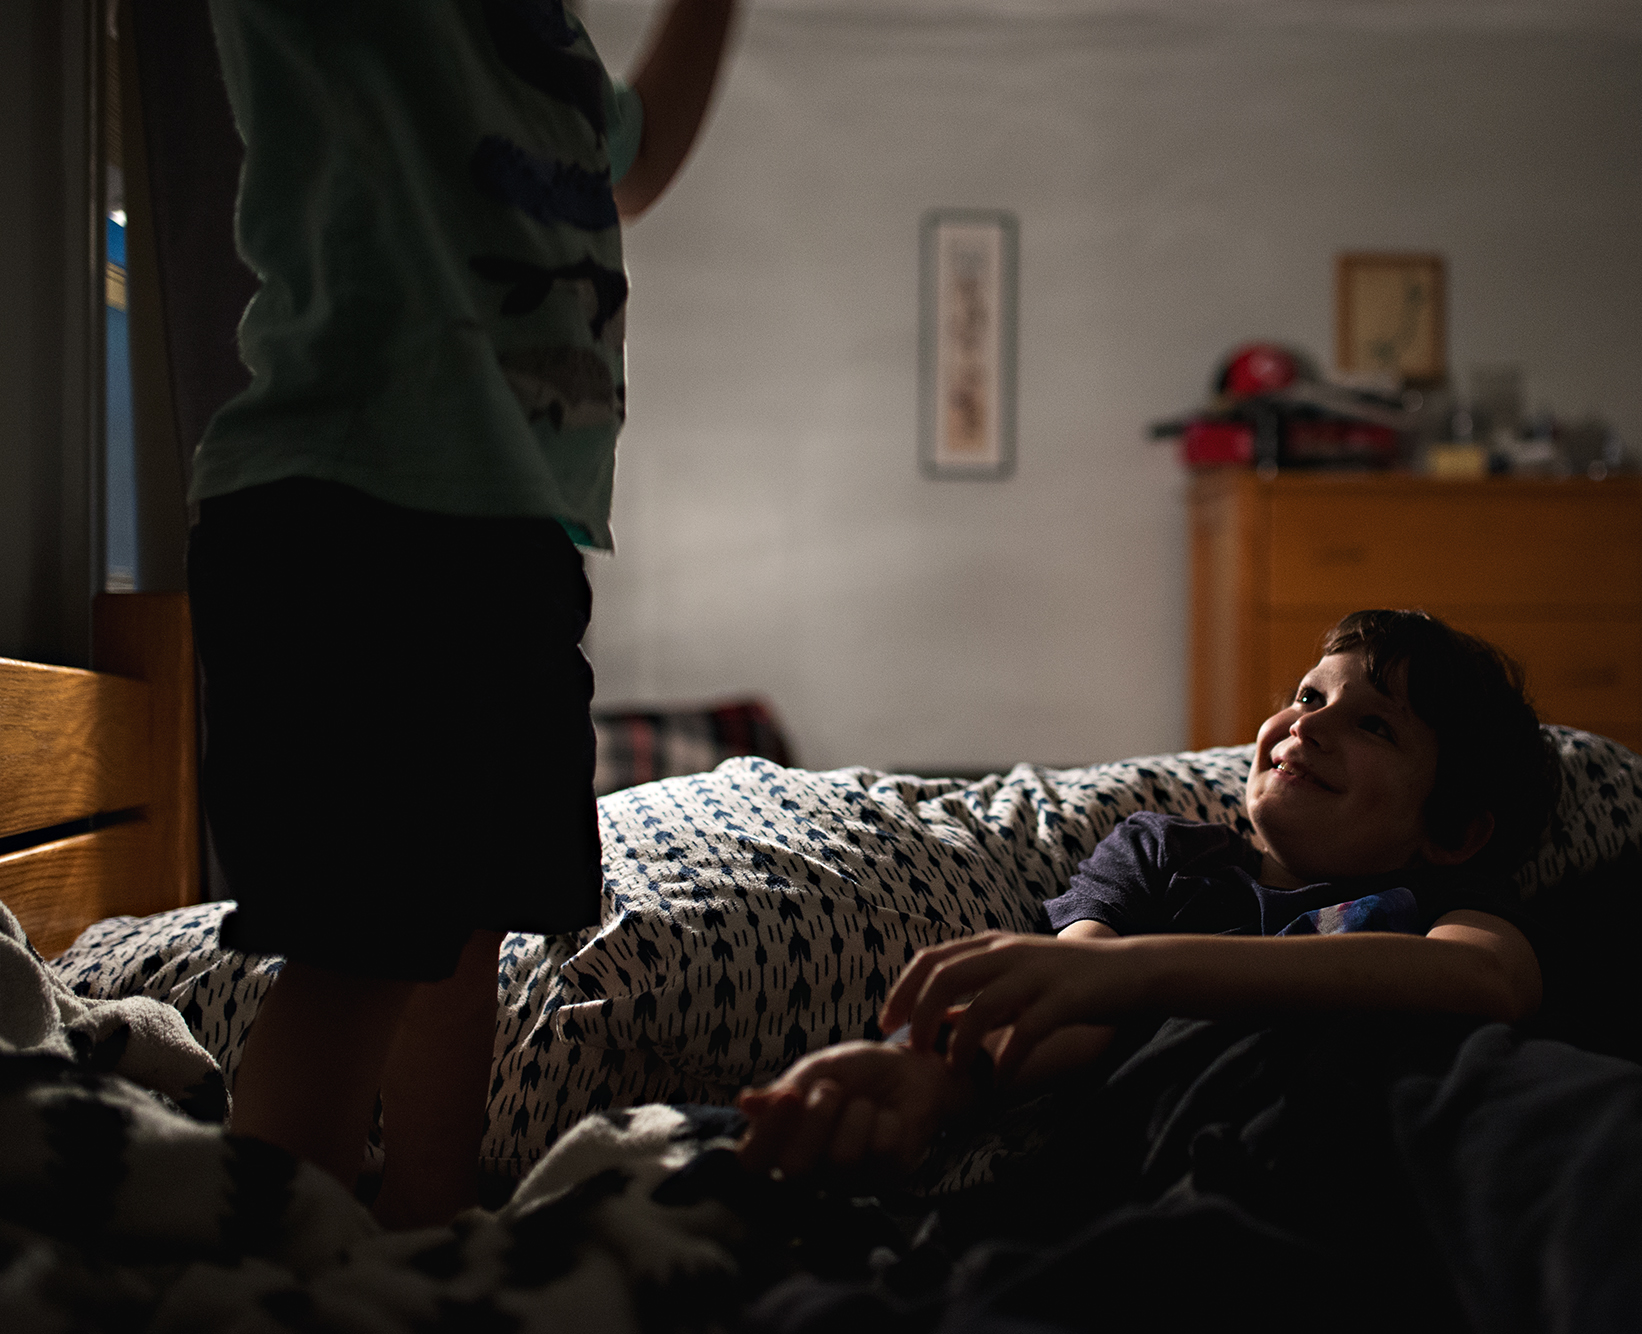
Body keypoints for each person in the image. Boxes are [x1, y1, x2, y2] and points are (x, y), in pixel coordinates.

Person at [189, 0, 736, 1227]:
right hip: (360, 503)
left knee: (461, 928)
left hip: (520, 535)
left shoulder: (542, 38)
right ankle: (266, 1277)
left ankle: (427, 1224)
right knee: (358, 942)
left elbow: (628, 163)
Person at [734, 609, 1560, 1180]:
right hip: (1215, 1158)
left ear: (1453, 832)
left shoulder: (1440, 896)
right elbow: (1068, 1004)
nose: (1307, 725)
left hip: (1428, 1141)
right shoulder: (1164, 854)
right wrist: (930, 1081)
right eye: (1310, 696)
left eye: (1374, 724)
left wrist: (1141, 972)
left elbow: (1488, 981)